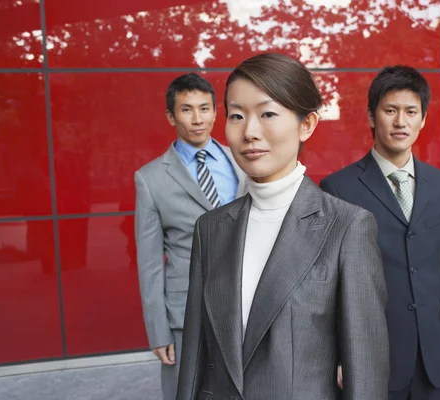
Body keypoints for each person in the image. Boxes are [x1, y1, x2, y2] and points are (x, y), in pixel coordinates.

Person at [177, 53, 390, 400]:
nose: (249, 132)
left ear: (306, 124)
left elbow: (364, 373)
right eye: (236, 115)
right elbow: (194, 359)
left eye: (268, 114)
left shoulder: (347, 227)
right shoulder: (211, 228)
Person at [320, 65, 440, 399]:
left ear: (422, 119)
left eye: (411, 112)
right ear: (371, 116)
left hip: (438, 349)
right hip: (373, 353)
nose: (400, 122)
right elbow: (330, 284)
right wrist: (338, 355)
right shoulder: (338, 188)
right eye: (390, 110)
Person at [134, 73, 245, 400]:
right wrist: (158, 330)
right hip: (186, 311)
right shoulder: (150, 179)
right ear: (171, 116)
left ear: (215, 112)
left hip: (247, 300)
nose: (197, 119)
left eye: (205, 108)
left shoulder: (243, 159)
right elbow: (150, 262)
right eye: (186, 110)